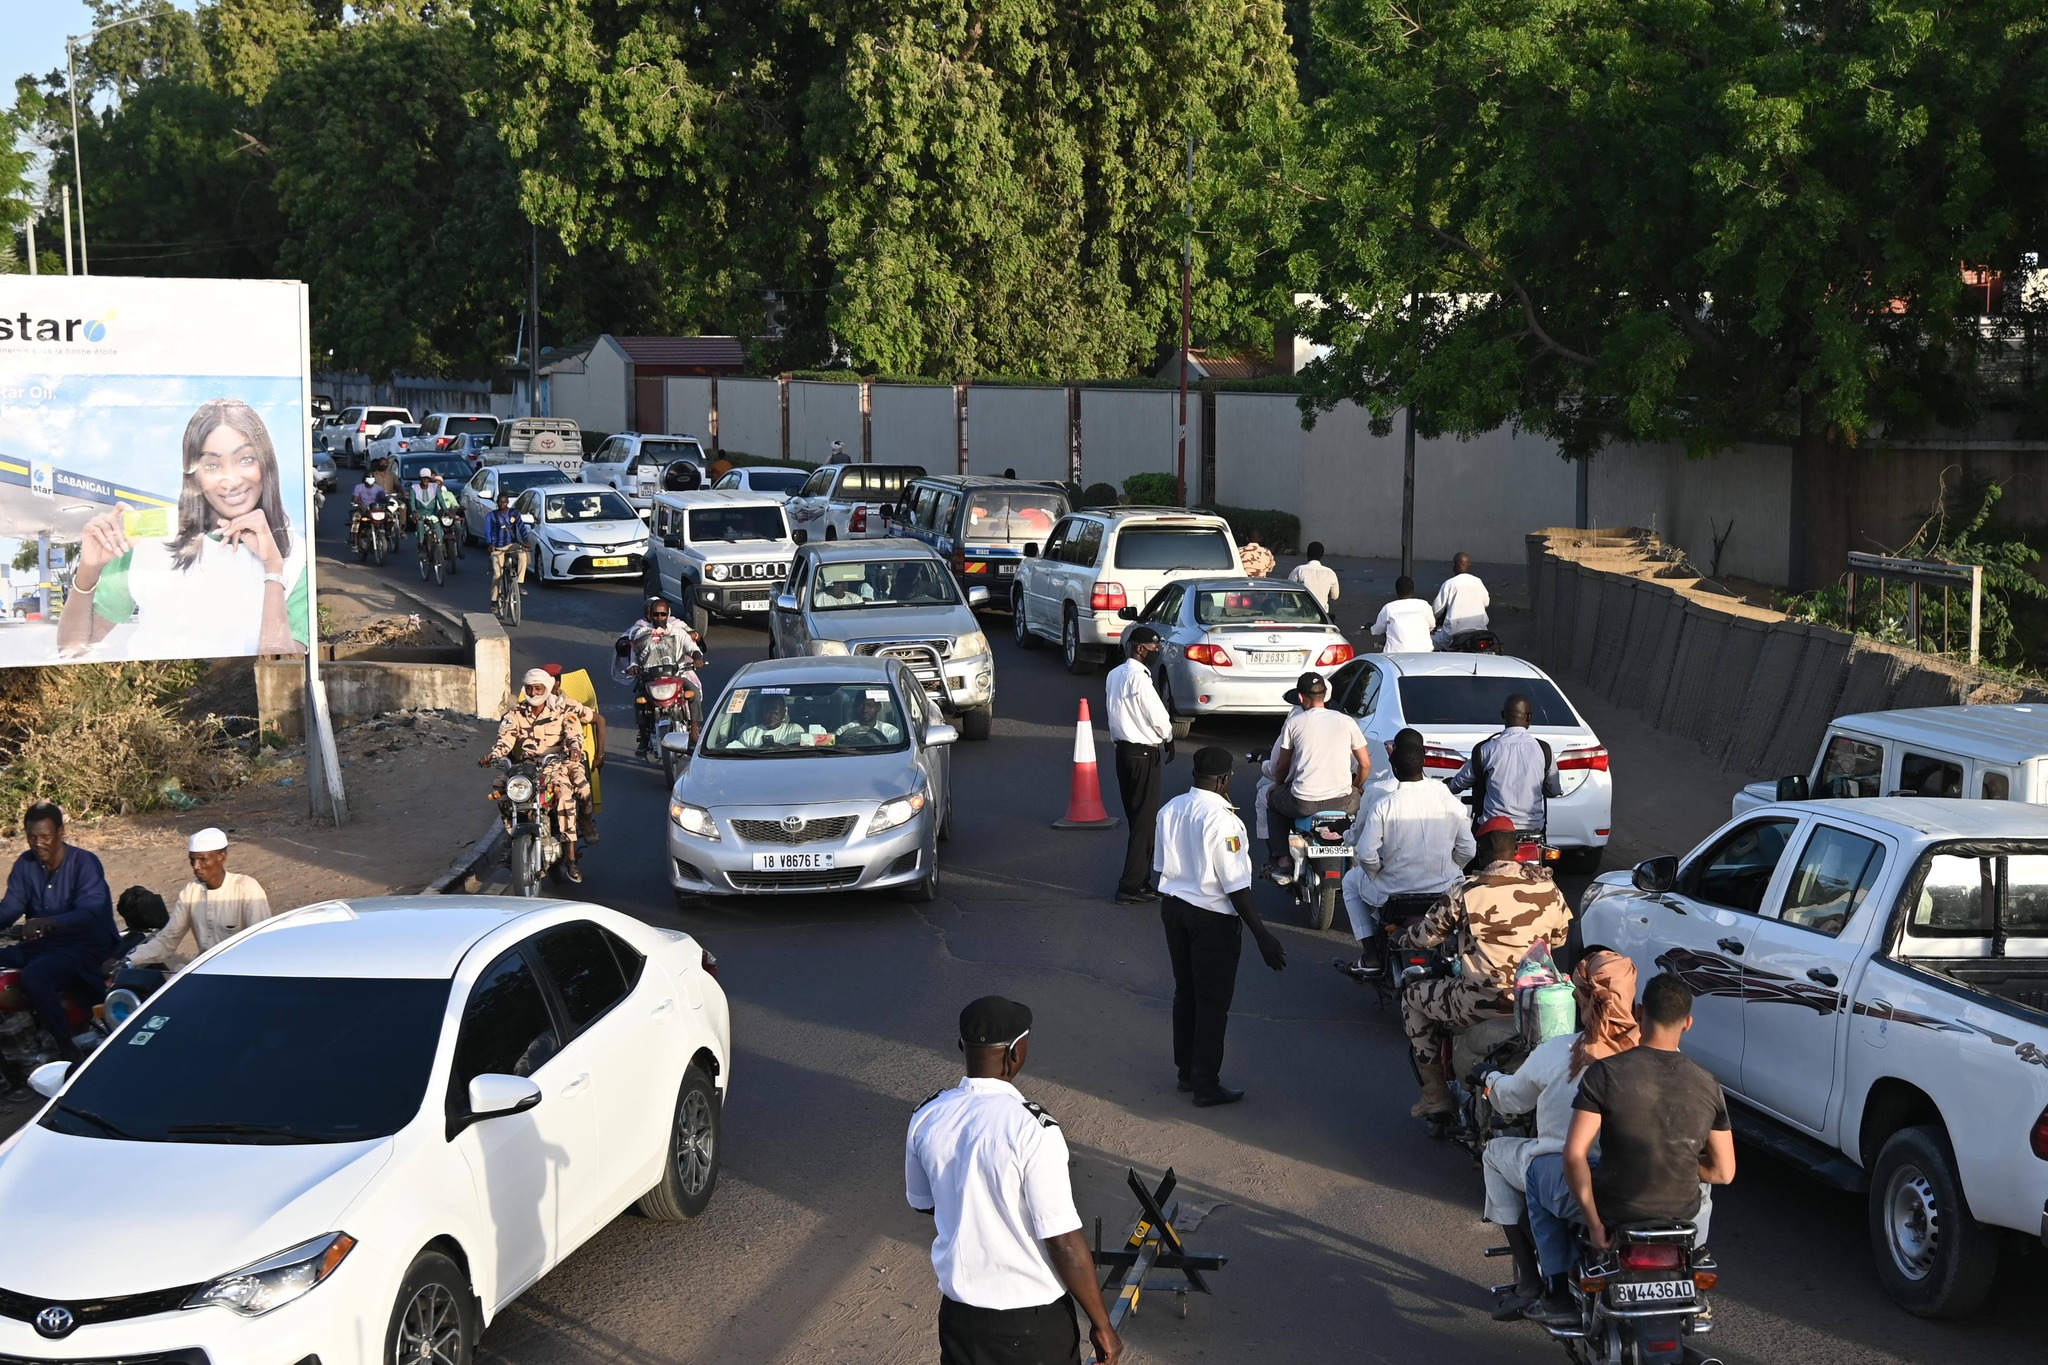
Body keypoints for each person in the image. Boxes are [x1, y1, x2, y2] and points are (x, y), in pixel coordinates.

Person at [906, 996, 1123, 1365]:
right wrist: (1102, 1323)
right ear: (1015, 1053)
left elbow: (924, 1202)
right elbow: (1063, 1241)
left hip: (960, 1320)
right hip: (1030, 1325)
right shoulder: (1032, 1129)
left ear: (962, 1047)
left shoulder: (927, 1116)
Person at [1523, 973, 1735, 1324]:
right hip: (1680, 1215)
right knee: (1706, 1189)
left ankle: (1556, 1293)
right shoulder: (1708, 1083)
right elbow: (1724, 1172)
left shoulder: (1605, 1073)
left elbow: (1574, 1155)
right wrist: (1679, 1160)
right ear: (1688, 1024)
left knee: (1535, 1173)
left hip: (1614, 1210)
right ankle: (1691, 1269)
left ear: (1639, 1014)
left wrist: (1594, 1225)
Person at [60, 398, 308, 659]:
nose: (231, 480)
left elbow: (282, 674)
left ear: (266, 463)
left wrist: (273, 568)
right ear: (194, 474)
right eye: (212, 465)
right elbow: (71, 650)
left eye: (246, 459)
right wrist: (88, 569)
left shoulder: (295, 553)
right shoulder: (149, 535)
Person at [1479, 950, 1639, 1319]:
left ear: (1578, 997)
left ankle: (1536, 1283)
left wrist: (1489, 1079)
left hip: (1577, 1182)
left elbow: (1511, 1101)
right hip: (1648, 1184)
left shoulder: (1559, 1052)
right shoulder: (1656, 1058)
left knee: (1513, 1161)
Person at [1398, 815, 1573, 1118]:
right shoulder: (1549, 888)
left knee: (1412, 1000)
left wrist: (1401, 939)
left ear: (1481, 852)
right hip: (1534, 1001)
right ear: (1516, 851)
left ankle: (1435, 1094)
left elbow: (1426, 936)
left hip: (1479, 1002)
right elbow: (1558, 940)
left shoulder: (1466, 891)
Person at [1155, 748, 1288, 1106]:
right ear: (1225, 780)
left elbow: (1161, 866)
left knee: (1185, 993)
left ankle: (1186, 1072)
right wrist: (1263, 935)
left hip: (1174, 910)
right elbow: (1236, 887)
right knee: (1212, 1004)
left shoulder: (1169, 810)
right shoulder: (1225, 821)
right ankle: (1206, 1085)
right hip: (1211, 920)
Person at [1340, 729, 1475, 973]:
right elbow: (1468, 849)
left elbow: (1365, 854)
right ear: (1424, 763)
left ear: (1394, 767)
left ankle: (1370, 956)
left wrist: (1377, 874)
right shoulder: (1447, 799)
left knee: (1350, 881)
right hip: (1442, 892)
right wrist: (1449, 868)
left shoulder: (1384, 805)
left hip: (1394, 894)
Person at [0, 803, 117, 1060]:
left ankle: (66, 1046)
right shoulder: (25, 864)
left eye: (45, 836)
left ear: (60, 832)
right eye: (32, 837)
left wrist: (50, 921)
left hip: (84, 945)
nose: (38, 843)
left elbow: (89, 910)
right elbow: (10, 908)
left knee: (35, 976)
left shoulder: (85, 863)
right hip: (43, 945)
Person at [479, 669, 597, 882]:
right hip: (527, 767)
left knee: (567, 796)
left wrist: (574, 749)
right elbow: (505, 740)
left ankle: (571, 858)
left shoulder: (563, 709)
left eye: (538, 688)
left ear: (547, 688)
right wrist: (494, 755)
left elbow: (574, 734)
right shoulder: (515, 713)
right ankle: (511, 836)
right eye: (530, 688)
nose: (533, 692)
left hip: (558, 765)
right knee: (500, 788)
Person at [1261, 672, 1371, 880]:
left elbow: (1282, 764)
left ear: (1301, 698)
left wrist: (1277, 785)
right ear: (1325, 695)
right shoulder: (1347, 721)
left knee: (1273, 803)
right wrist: (1356, 786)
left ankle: (1283, 858)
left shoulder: (1295, 723)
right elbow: (1365, 765)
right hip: (1343, 802)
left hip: (1303, 802)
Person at [125, 828, 275, 970]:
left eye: (203, 859)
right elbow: (168, 939)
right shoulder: (191, 891)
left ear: (221, 857)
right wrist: (129, 960)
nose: (196, 866)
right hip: (203, 971)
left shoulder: (246, 888)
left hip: (240, 972)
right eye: (192, 860)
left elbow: (261, 944)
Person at [1105, 626, 1173, 904]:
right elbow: (1156, 714)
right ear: (1140, 649)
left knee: (1138, 821)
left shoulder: (1114, 675)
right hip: (1144, 754)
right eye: (1154, 649)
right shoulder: (1140, 679)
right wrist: (1168, 736)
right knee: (1144, 824)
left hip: (1123, 752)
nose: (1156, 654)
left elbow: (1112, 712)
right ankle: (1130, 885)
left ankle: (1142, 881)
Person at [1446, 693, 1563, 835]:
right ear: (1529, 717)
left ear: (1503, 715)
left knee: (1472, 853)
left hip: (1493, 829)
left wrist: (1446, 785)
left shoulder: (1486, 749)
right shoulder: (1544, 749)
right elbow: (1554, 790)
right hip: (1533, 829)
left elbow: (1459, 783)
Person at [616, 597, 700, 756]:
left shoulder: (677, 631)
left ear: (668, 614)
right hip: (650, 679)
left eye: (663, 614)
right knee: (639, 701)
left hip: (677, 676)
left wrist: (697, 657)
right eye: (656, 615)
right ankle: (644, 739)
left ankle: (694, 731)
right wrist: (633, 666)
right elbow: (634, 654)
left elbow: (691, 646)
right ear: (650, 615)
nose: (659, 618)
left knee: (694, 693)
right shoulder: (641, 633)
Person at [543, 663, 606, 842]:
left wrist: (599, 755)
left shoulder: (569, 706)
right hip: (539, 762)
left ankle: (585, 822)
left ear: (556, 684)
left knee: (582, 788)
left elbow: (599, 720)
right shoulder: (530, 707)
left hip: (565, 760)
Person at [1432, 552, 1491, 647]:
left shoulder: (1449, 584)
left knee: (1432, 642)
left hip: (1453, 633)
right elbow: (1486, 603)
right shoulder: (1478, 581)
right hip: (1480, 632)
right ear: (1469, 564)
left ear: (1453, 565)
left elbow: (1437, 610)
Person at [484, 492, 532, 605]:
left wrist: (526, 540)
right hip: (498, 547)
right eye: (500, 502)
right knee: (497, 575)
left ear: (508, 502)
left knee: (523, 556)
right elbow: (487, 531)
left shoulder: (514, 513)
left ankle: (519, 584)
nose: (502, 504)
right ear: (497, 502)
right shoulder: (491, 516)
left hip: (512, 545)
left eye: (504, 502)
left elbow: (521, 527)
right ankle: (494, 601)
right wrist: (490, 544)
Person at [1369, 576, 1436, 653]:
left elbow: (1378, 630)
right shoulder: (1424, 605)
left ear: (1396, 591)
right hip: (1424, 652)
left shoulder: (1388, 608)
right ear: (1413, 591)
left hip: (1396, 654)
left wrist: (1372, 629)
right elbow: (1432, 625)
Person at [1288, 542, 1340, 613]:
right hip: (1322, 614)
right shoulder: (1330, 573)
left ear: (1307, 554)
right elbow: (1335, 596)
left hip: (1302, 612)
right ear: (1322, 555)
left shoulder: (1299, 570)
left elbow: (1288, 590)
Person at [738, 695, 806, 748]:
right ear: (762, 712)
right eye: (768, 713)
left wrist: (783, 749)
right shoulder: (748, 734)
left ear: (784, 713)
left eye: (776, 713)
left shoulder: (795, 730)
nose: (772, 717)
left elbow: (805, 751)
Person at [837, 694, 904, 745]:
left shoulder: (890, 732)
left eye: (870, 705)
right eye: (861, 705)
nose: (865, 710)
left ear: (878, 708)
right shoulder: (844, 730)